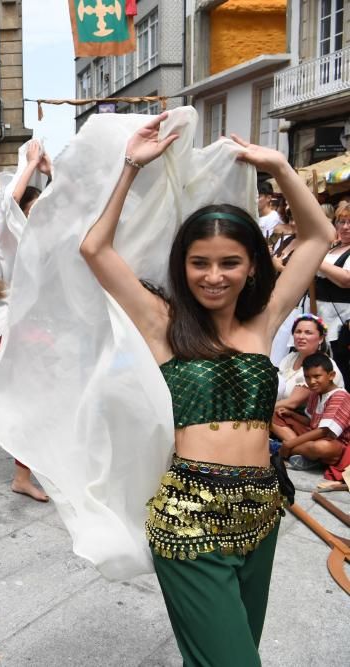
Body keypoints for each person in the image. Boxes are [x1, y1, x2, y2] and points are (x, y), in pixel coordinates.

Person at [78, 114, 332, 664]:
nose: (214, 275)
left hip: (262, 511)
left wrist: (282, 168)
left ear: (250, 267)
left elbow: (320, 236)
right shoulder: (162, 323)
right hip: (190, 517)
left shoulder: (263, 321)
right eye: (200, 263)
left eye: (229, 263)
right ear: (183, 265)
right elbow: (95, 249)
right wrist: (129, 167)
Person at [0, 138, 51, 502]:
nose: (42, 215)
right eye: (36, 208)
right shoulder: (10, 237)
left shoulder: (36, 241)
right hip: (11, 326)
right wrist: (29, 163)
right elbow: (7, 203)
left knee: (42, 396)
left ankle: (29, 466)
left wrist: (51, 173)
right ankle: (23, 473)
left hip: (22, 327)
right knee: (35, 398)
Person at [273, 353, 350, 488]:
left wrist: (290, 444)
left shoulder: (340, 396)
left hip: (336, 445)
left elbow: (324, 431)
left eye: (317, 376)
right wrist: (291, 414)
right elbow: (312, 422)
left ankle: (284, 448)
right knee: (274, 416)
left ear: (331, 376)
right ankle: (304, 454)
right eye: (307, 377)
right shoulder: (316, 393)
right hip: (314, 435)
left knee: (322, 447)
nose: (312, 381)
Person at [273, 315, 344, 420]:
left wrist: (258, 407)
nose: (301, 336)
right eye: (298, 332)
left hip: (313, 422)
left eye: (308, 332)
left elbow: (292, 403)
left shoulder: (319, 365)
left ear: (320, 338)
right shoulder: (290, 358)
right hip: (285, 412)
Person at [313, 202, 350, 379]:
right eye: (341, 222)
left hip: (342, 317)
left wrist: (317, 260)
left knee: (340, 368)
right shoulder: (333, 248)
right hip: (319, 313)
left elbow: (346, 280)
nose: (345, 227)